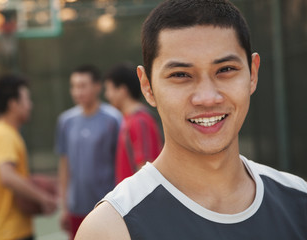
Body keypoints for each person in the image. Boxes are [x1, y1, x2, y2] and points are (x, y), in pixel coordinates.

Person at [75, 1, 307, 239]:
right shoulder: (111, 228)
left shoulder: (299, 200)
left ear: (253, 74)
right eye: (180, 75)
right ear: (147, 87)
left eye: (226, 69)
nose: (207, 98)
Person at [0, 74, 57, 240]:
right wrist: (43, 198)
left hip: (1, 230)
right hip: (11, 231)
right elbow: (6, 176)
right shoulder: (5, 135)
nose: (30, 105)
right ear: (13, 104)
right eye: (26, 100)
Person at [55, 65, 121, 239]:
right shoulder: (65, 121)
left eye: (83, 85)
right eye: (74, 86)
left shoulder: (114, 119)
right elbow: (64, 165)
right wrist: (64, 207)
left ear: (97, 87)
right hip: (76, 207)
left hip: (107, 206)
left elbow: (121, 163)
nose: (78, 91)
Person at [104, 63, 163, 184]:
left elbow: (145, 167)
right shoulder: (128, 119)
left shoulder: (139, 121)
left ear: (122, 90)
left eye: (109, 89)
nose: (107, 95)